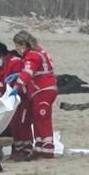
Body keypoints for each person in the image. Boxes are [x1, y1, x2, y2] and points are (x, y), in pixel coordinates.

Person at [11, 31, 58, 159]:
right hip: (41, 90)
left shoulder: (32, 55)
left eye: (17, 45)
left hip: (44, 89)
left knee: (43, 117)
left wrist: (17, 86)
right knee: (37, 117)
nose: (17, 49)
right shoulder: (39, 51)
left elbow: (28, 72)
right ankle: (39, 146)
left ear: (23, 44)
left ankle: (48, 147)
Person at [0, 42, 24, 138]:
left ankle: (23, 147)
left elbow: (20, 81)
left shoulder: (15, 62)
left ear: (0, 55)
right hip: (9, 98)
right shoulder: (0, 67)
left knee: (20, 123)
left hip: (19, 97)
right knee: (13, 123)